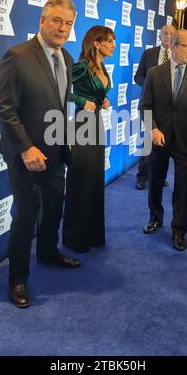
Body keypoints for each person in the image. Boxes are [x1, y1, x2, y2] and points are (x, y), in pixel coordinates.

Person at [0, 0, 81, 308]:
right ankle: (17, 279)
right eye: (57, 21)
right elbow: (5, 109)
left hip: (56, 153)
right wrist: (26, 147)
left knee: (54, 208)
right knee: (27, 215)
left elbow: (61, 106)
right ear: (42, 21)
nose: (62, 28)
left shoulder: (68, 59)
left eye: (68, 23)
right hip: (24, 155)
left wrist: (68, 138)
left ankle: (48, 253)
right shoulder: (17, 55)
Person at [141, 29, 187, 251]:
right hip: (159, 140)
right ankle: (155, 217)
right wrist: (152, 129)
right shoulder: (154, 73)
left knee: (184, 188)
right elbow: (145, 106)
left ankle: (179, 230)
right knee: (155, 181)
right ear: (173, 47)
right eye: (186, 46)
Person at [62, 26, 115, 252]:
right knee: (81, 181)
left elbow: (99, 92)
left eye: (113, 41)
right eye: (109, 41)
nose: (113, 45)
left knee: (94, 180)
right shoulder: (82, 67)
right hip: (82, 125)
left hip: (97, 125)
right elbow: (63, 90)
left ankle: (93, 234)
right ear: (96, 43)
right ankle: (75, 237)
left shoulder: (102, 67)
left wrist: (104, 101)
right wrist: (83, 102)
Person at [134, 24, 176, 190]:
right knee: (148, 142)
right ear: (160, 36)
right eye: (165, 33)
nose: (168, 36)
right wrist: (151, 86)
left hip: (169, 108)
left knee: (165, 144)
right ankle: (142, 177)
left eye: (171, 34)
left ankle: (159, 176)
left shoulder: (177, 55)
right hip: (149, 105)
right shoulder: (149, 53)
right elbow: (138, 77)